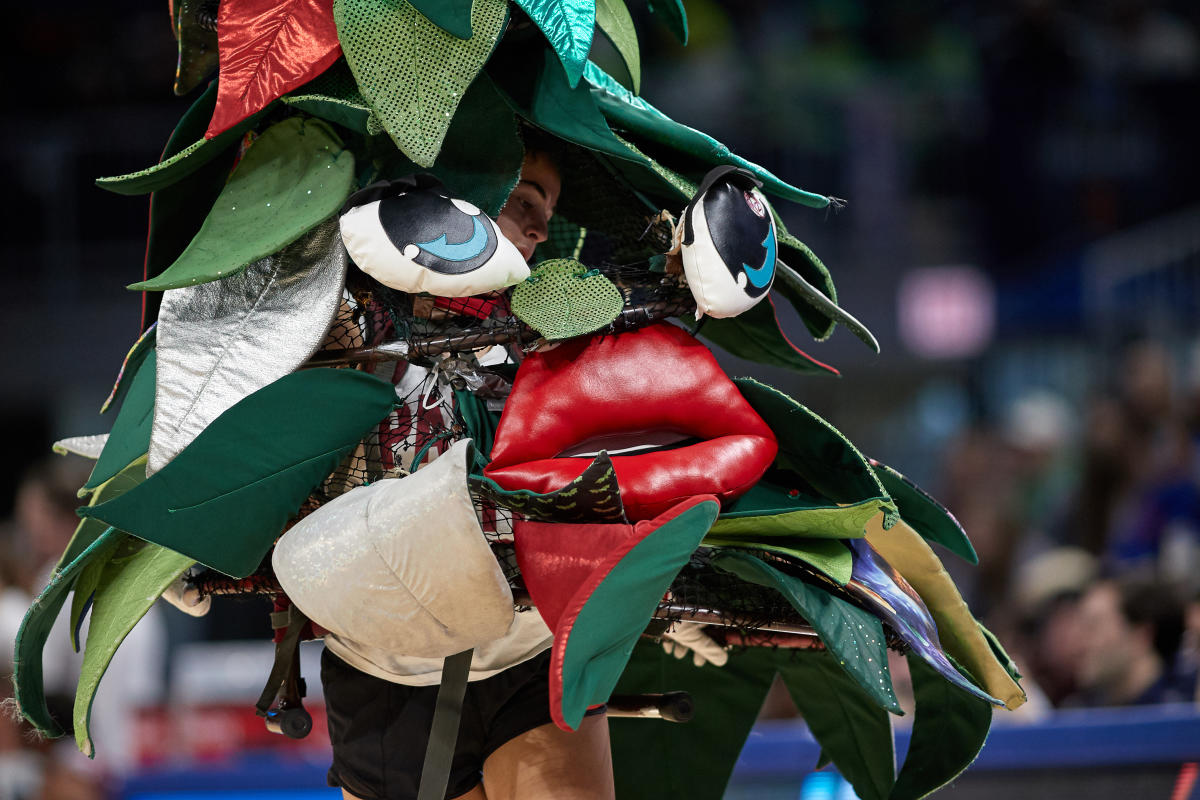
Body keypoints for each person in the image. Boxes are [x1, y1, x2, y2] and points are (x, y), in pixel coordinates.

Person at [319, 149, 617, 800]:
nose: (540, 229)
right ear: (468, 189)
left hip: (533, 647)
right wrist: (192, 548)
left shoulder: (556, 333)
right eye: (526, 201)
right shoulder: (341, 315)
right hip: (382, 667)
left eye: (548, 214)